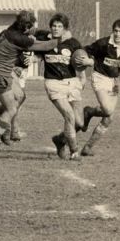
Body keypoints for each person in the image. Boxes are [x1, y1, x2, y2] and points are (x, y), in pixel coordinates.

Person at [0, 10, 63, 158]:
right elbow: (45, 46)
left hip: (2, 74)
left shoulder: (9, 31)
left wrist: (47, 32)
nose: (34, 29)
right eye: (31, 27)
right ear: (25, 28)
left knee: (20, 96)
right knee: (11, 109)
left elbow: (34, 32)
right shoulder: (20, 39)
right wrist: (60, 38)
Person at [79, 17, 120, 156]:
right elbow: (87, 50)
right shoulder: (103, 43)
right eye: (115, 30)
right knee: (107, 110)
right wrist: (87, 60)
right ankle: (89, 112)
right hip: (99, 77)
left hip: (114, 82)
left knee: (109, 118)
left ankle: (88, 147)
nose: (117, 34)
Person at [33, 13, 87, 160]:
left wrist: (82, 77)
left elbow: (81, 61)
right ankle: (75, 151)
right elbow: (32, 49)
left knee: (79, 123)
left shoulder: (73, 43)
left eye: (59, 26)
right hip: (53, 84)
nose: (56, 28)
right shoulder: (45, 41)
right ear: (50, 27)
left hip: (72, 83)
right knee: (69, 116)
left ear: (64, 29)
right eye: (54, 26)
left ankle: (60, 140)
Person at [0, 32, 32, 142]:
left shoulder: (36, 36)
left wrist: (34, 58)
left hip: (22, 72)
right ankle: (10, 131)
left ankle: (0, 127)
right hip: (10, 70)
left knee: (16, 102)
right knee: (13, 102)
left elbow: (41, 52)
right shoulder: (10, 34)